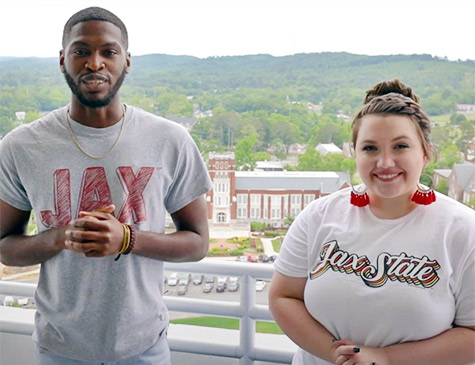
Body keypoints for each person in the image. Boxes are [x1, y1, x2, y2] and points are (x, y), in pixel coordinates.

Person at [0, 7, 213, 364]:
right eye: (81, 51)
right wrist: (60, 237)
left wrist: (126, 239)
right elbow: (5, 248)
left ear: (126, 61)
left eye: (108, 52)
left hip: (144, 347)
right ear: (63, 59)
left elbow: (197, 243)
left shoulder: (169, 139)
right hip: (60, 349)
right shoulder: (22, 146)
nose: (94, 63)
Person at [269, 79, 475, 365]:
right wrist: (335, 354)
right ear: (355, 153)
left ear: (425, 153)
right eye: (370, 148)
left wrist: (384, 358)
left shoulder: (463, 230)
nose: (385, 162)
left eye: (401, 146)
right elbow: (283, 297)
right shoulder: (319, 216)